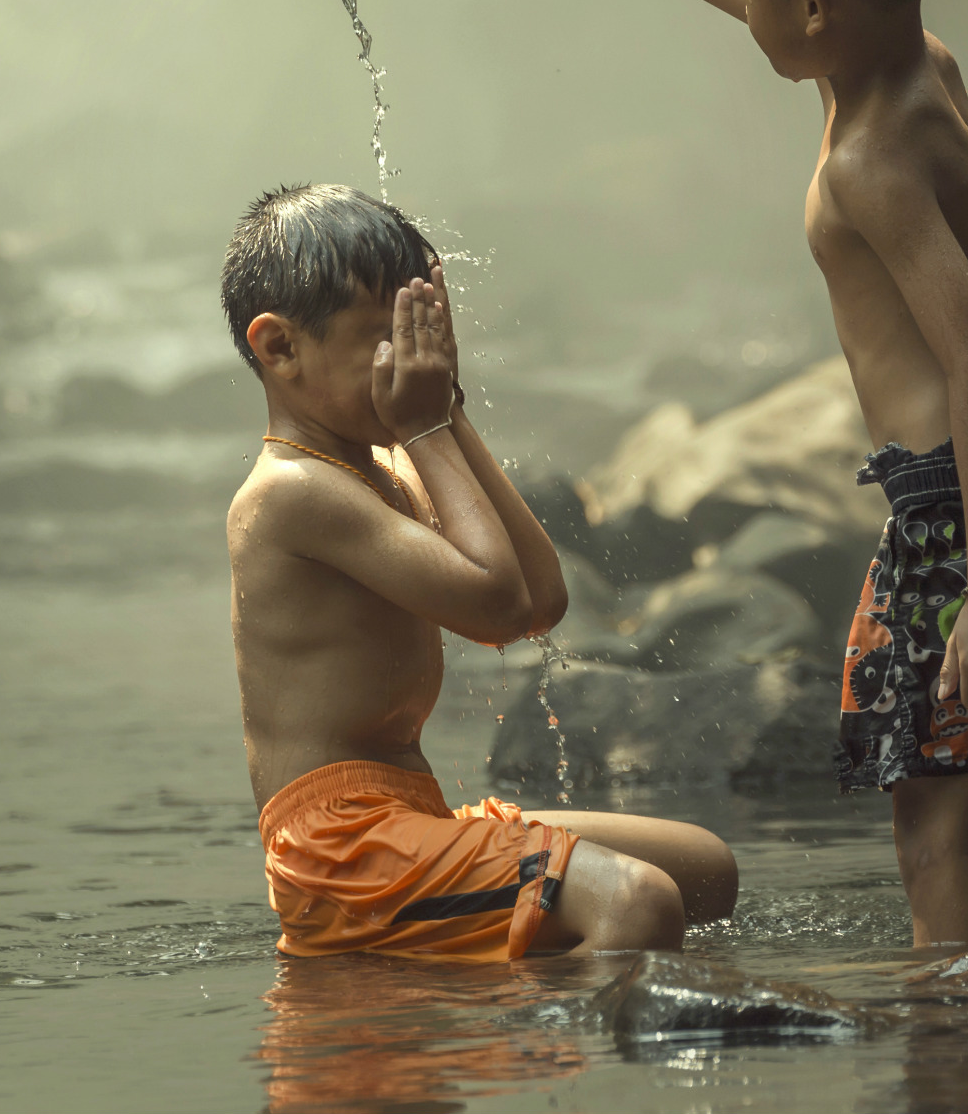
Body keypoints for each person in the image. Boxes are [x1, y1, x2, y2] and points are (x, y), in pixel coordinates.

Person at [401, 0, 968, 946]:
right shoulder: (918, 63)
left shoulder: (868, 160)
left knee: (939, 837)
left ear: (806, 5)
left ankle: (961, 1065)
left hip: (966, 519)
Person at [223, 183, 737, 959]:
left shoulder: (387, 463)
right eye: (382, 338)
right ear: (279, 347)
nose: (409, 361)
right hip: (339, 851)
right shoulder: (293, 493)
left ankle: (487, 972)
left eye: (420, 336)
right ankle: (519, 1036)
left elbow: (540, 601)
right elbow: (495, 609)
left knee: (705, 872)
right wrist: (426, 423)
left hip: (407, 816)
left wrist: (447, 410)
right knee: (639, 905)